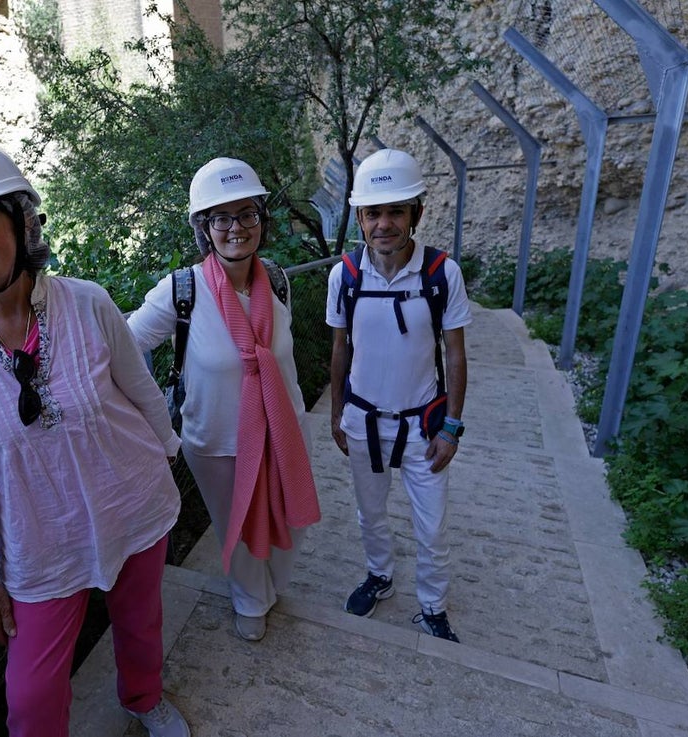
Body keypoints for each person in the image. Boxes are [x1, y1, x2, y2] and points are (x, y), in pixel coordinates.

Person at [0, 139, 190, 737]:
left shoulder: (86, 304)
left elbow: (140, 389)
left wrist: (169, 454)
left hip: (132, 499)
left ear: (21, 222)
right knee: (32, 696)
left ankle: (144, 699)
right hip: (40, 537)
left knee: (140, 622)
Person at [127, 157, 321, 643]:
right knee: (237, 523)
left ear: (261, 219)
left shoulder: (276, 280)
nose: (237, 227)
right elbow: (124, 345)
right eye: (222, 217)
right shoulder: (182, 290)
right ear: (204, 228)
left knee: (290, 515)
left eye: (247, 213)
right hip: (215, 439)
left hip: (286, 428)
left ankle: (272, 584)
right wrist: (149, 414)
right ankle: (250, 598)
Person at [326, 148, 471, 642]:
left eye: (395, 211)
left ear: (416, 214)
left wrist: (451, 428)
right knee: (370, 514)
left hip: (423, 427)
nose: (383, 223)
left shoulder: (441, 273)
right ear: (360, 219)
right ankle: (379, 576)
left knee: (432, 526)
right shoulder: (345, 275)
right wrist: (336, 413)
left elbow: (455, 354)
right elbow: (340, 348)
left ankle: (432, 605)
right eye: (373, 213)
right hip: (364, 421)